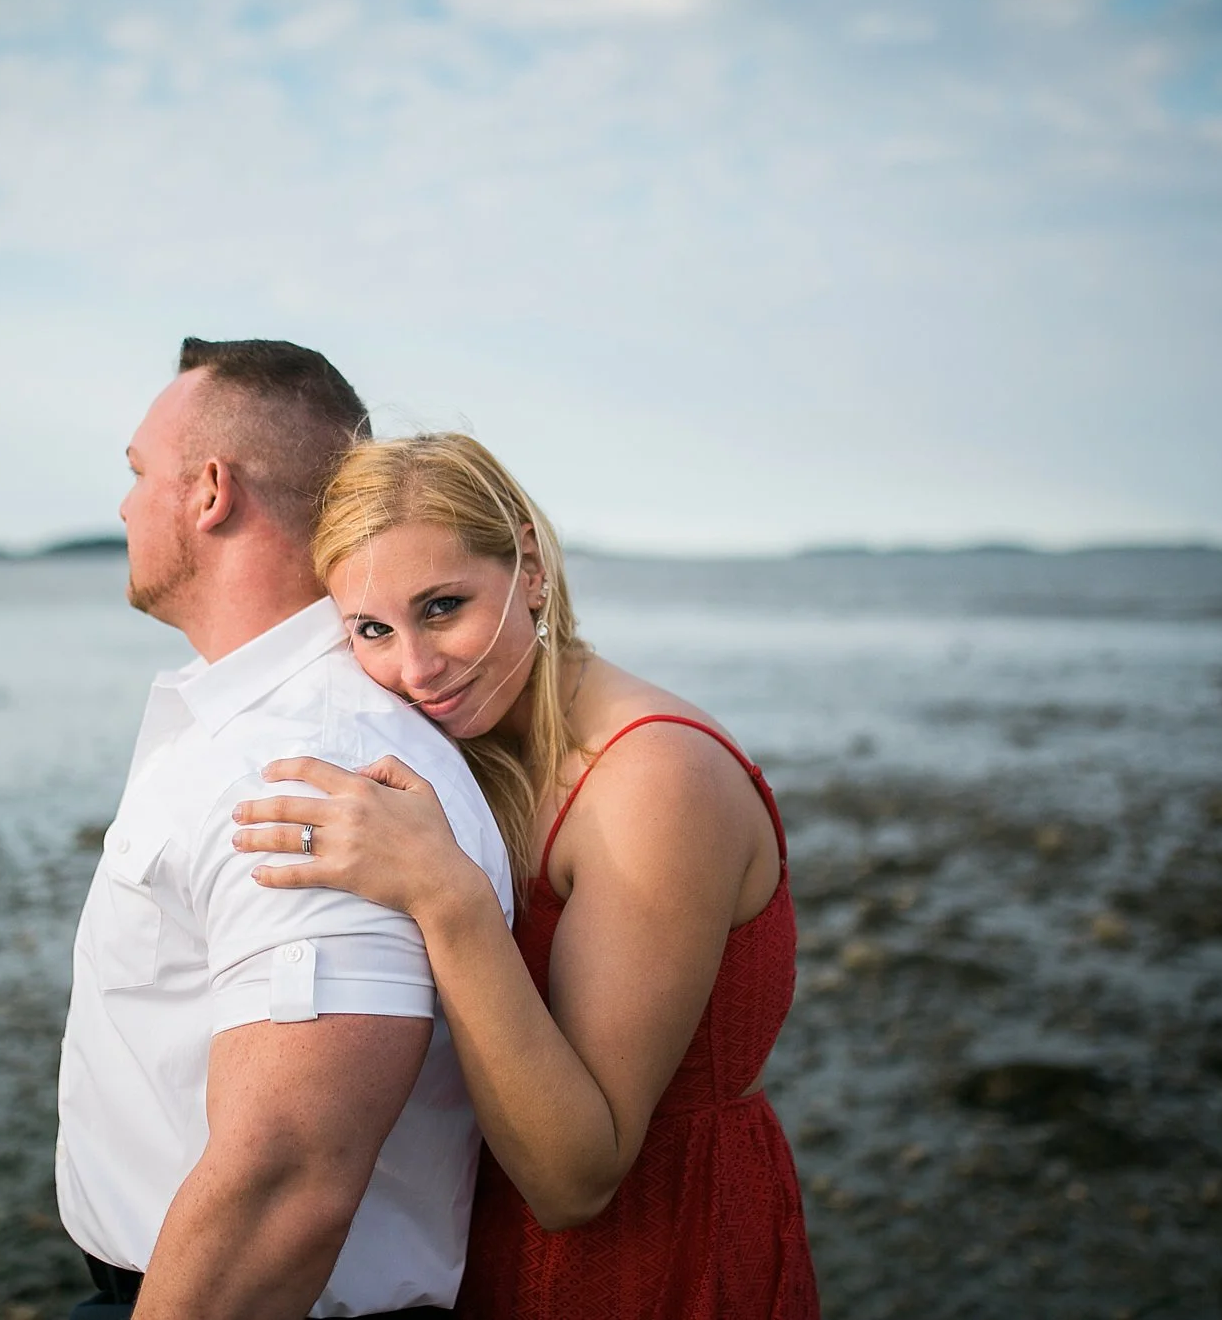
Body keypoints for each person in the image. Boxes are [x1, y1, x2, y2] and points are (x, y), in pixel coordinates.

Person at [230, 433, 819, 1320]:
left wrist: (442, 892)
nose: (417, 669)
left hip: (657, 1262)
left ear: (532, 569)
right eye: (372, 629)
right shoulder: (474, 758)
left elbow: (576, 1178)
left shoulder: (654, 782)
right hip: (482, 1252)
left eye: (443, 605)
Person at [56, 344, 513, 1320]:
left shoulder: (308, 759)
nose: (126, 506)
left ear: (210, 491)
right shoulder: (258, 727)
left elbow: (288, 1180)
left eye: (139, 474)